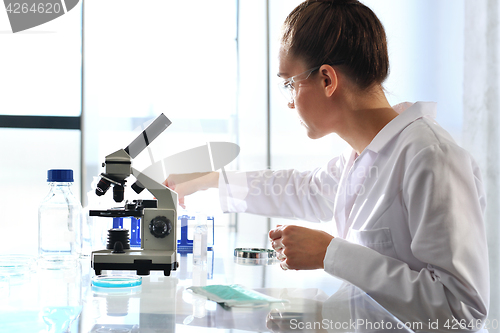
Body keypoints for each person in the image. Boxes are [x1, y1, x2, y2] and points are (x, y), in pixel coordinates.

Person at [165, 0, 489, 330]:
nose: (290, 103)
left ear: (326, 80)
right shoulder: (366, 156)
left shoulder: (431, 158)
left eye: (290, 83)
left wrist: (330, 253)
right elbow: (303, 189)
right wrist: (207, 180)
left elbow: (460, 314)